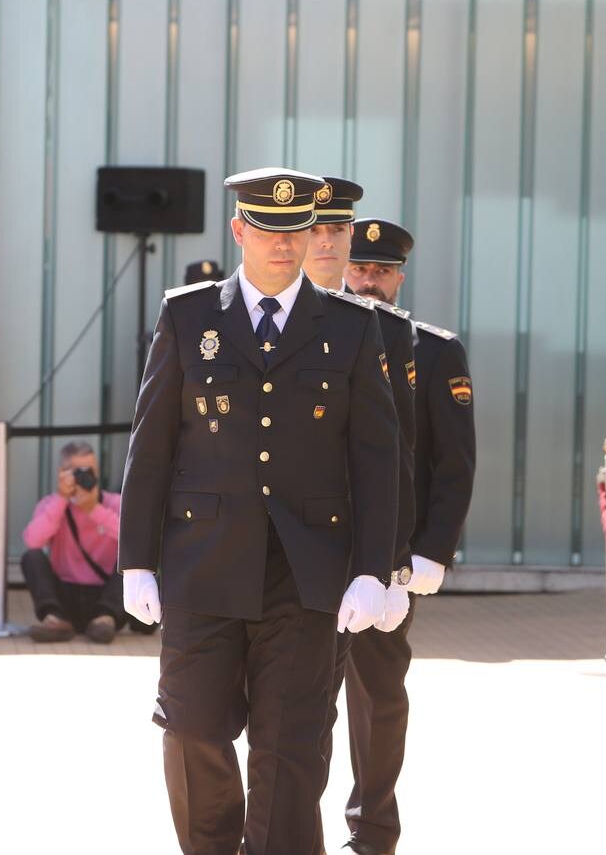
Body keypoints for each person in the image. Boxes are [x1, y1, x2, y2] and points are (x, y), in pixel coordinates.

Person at [116, 167, 399, 855]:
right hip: (203, 564)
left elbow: (377, 459)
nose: (283, 244)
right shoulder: (188, 315)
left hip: (306, 573)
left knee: (290, 749)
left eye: (296, 230)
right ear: (240, 230)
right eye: (268, 230)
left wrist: (375, 570)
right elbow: (151, 445)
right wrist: (136, 561)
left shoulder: (352, 327)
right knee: (192, 728)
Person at [326, 216, 476, 855]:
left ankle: (372, 829)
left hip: (388, 558)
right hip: (313, 549)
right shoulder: (315, 339)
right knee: (297, 695)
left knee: (376, 695)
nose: (368, 281)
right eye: (359, 268)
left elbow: (453, 462)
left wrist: (432, 551)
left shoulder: (434, 350)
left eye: (381, 271)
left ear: (400, 276)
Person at [20, 441, 126, 643]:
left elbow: (133, 541)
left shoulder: (115, 503)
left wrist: (93, 510)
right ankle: (55, 619)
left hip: (105, 596)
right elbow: (32, 541)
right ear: (63, 473)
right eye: (79, 472)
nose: (86, 478)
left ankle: (105, 620)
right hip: (65, 594)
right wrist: (62, 499)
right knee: (31, 557)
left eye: (91, 471)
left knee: (132, 561)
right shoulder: (51, 504)